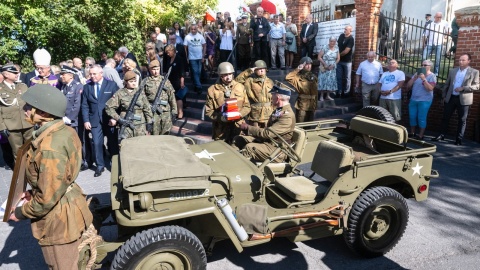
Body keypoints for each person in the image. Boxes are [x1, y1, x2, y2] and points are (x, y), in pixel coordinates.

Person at [9, 84, 93, 269]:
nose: (24, 110)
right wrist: (33, 191)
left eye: (28, 107)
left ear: (44, 113)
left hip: (58, 221)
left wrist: (20, 212)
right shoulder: (65, 131)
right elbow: (56, 178)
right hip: (67, 204)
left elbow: (47, 198)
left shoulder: (49, 146)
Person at [233, 83, 295, 162]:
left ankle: (241, 171)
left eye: (273, 95)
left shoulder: (287, 116)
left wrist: (248, 128)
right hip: (270, 143)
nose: (271, 97)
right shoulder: (279, 110)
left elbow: (268, 133)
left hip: (278, 150)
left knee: (249, 148)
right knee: (238, 139)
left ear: (278, 97)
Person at [81, 65, 119, 177]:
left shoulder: (111, 85)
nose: (92, 76)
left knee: (112, 143)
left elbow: (118, 103)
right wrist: (86, 120)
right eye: (90, 74)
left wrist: (114, 118)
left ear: (101, 73)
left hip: (109, 120)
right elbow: (85, 105)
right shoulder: (87, 87)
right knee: (97, 143)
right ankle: (100, 166)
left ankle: (115, 164)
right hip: (94, 120)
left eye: (94, 74)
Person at [432, 53, 479, 145]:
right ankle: (441, 135)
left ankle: (459, 139)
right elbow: (447, 84)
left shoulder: (474, 72)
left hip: (464, 99)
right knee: (445, 117)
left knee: (462, 119)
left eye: (463, 60)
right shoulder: (453, 71)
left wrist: (464, 88)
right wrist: (444, 95)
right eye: (460, 60)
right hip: (451, 97)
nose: (460, 62)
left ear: (469, 61)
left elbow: (477, 86)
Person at [205, 62, 251, 143]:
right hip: (221, 130)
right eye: (225, 75)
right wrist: (221, 117)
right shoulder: (212, 90)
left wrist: (240, 114)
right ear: (220, 75)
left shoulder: (240, 87)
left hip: (238, 127)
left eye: (230, 74)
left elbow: (247, 106)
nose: (228, 77)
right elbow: (209, 111)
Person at [106, 71, 153, 139]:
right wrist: (119, 119)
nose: (134, 83)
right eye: (131, 82)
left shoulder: (140, 92)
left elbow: (147, 108)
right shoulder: (120, 93)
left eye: (135, 81)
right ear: (126, 82)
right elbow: (108, 107)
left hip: (140, 126)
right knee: (126, 146)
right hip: (126, 125)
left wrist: (149, 123)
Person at [0, 64, 33, 163]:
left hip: (27, 122)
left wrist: (33, 120)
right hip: (11, 124)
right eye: (13, 72)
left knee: (31, 149)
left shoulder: (22, 86)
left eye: (16, 72)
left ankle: (31, 173)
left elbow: (30, 104)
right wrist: (2, 127)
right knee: (18, 152)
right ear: (6, 74)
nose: (17, 74)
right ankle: (20, 175)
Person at [141, 59, 177, 135]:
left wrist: (174, 110)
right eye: (153, 69)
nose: (156, 71)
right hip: (153, 112)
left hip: (165, 112)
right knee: (155, 134)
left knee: (166, 134)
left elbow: (171, 96)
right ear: (150, 70)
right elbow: (142, 98)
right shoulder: (145, 81)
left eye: (157, 69)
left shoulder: (165, 80)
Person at [236, 60, 274, 128]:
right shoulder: (249, 81)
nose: (261, 70)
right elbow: (237, 81)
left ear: (266, 69)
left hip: (268, 114)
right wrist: (248, 71)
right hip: (255, 114)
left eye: (263, 68)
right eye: (258, 69)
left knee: (267, 135)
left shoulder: (270, 82)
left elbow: (274, 98)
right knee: (254, 135)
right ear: (255, 70)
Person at [406, 60, 436, 140]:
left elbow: (430, 88)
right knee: (412, 116)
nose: (422, 66)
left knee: (421, 118)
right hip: (414, 99)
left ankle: (421, 135)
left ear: (430, 66)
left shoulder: (432, 76)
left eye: (425, 65)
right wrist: (414, 79)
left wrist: (424, 79)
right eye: (422, 65)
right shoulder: (416, 74)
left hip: (425, 100)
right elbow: (408, 86)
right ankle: (412, 133)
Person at [286, 56, 318, 123]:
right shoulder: (298, 77)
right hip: (302, 105)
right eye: (306, 64)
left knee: (310, 125)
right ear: (302, 65)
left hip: (311, 105)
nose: (309, 66)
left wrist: (316, 105)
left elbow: (316, 93)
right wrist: (298, 69)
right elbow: (288, 77)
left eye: (310, 64)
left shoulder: (314, 77)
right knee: (301, 124)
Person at [163, 45, 186, 119]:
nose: (167, 54)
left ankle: (180, 112)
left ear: (172, 51)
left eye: (168, 52)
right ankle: (174, 111)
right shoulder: (168, 59)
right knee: (171, 96)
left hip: (177, 80)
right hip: (170, 81)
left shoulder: (179, 59)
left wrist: (182, 82)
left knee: (178, 97)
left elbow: (182, 71)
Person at [184, 24, 206, 95]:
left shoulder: (200, 36)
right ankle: (199, 87)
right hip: (192, 57)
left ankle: (195, 85)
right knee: (195, 72)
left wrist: (203, 56)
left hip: (199, 57)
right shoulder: (187, 37)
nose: (193, 30)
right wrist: (186, 57)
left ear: (197, 29)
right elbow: (185, 48)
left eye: (194, 29)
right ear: (190, 29)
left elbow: (204, 45)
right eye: (192, 29)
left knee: (198, 73)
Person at [59, 65, 83, 132]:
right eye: (61, 74)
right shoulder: (64, 86)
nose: (61, 76)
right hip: (64, 119)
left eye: (63, 74)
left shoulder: (78, 86)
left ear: (71, 76)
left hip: (74, 121)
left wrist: (70, 118)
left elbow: (77, 104)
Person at [317, 37, 340, 101]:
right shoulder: (325, 47)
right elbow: (319, 57)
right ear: (329, 41)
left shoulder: (337, 48)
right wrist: (325, 64)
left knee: (330, 81)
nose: (332, 43)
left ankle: (327, 95)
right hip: (324, 66)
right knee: (323, 80)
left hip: (332, 67)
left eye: (334, 41)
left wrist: (334, 64)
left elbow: (338, 58)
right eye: (331, 41)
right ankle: (321, 96)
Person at [337, 25, 355, 98]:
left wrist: (338, 56)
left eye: (346, 29)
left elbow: (346, 51)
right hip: (339, 61)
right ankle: (339, 91)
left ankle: (346, 92)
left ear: (350, 31)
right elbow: (337, 46)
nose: (345, 30)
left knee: (347, 77)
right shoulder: (341, 36)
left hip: (347, 61)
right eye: (344, 29)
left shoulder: (351, 39)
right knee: (339, 77)